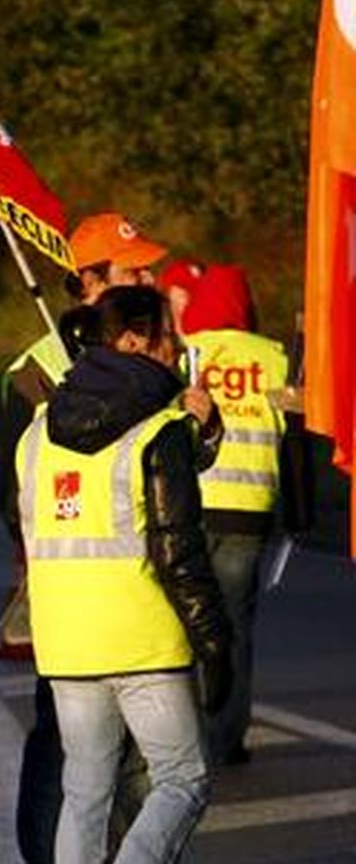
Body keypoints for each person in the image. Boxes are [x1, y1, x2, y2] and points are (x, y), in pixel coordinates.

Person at [0, 214, 211, 864]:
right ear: (94, 287)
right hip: (136, 620)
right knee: (172, 776)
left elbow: (23, 506)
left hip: (67, 625)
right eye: (134, 272)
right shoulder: (130, 406)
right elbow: (173, 530)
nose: (150, 281)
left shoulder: (55, 410)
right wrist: (215, 639)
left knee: (86, 786)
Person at [158, 260, 303, 765]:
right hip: (249, 513)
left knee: (188, 622)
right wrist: (300, 508)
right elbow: (296, 436)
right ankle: (228, 735)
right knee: (235, 626)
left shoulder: (189, 355)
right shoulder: (276, 357)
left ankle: (184, 732)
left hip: (190, 508)